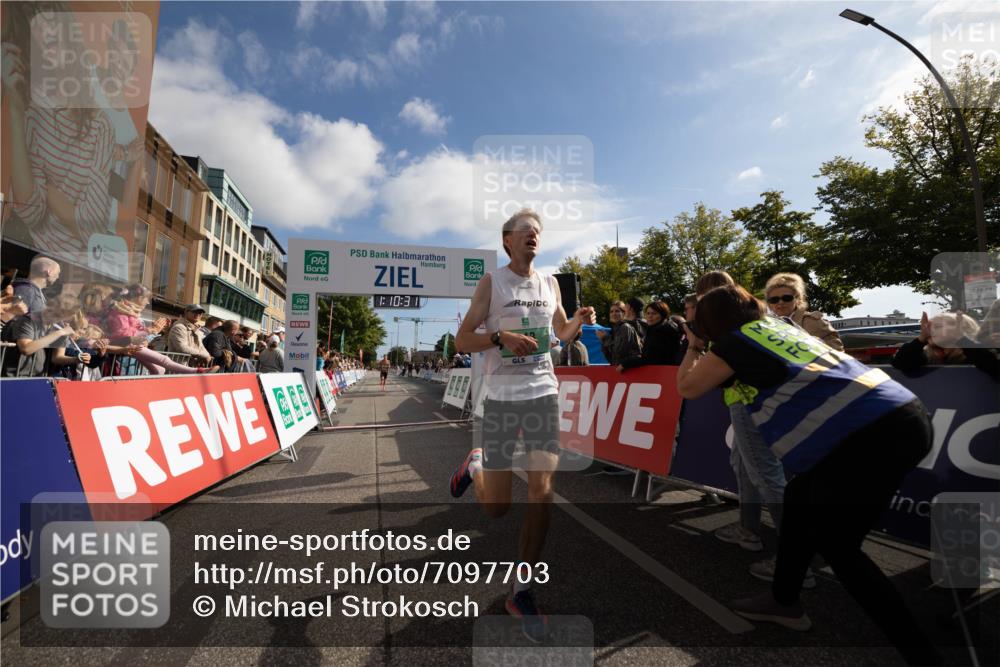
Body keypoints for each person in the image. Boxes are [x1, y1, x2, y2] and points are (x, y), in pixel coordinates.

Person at [678, 284, 941, 665]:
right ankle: (783, 600)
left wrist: (694, 346)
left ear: (710, 323)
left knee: (840, 547)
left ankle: (923, 655)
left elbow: (688, 387)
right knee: (801, 497)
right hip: (903, 413)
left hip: (867, 434)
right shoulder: (780, 327)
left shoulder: (733, 343)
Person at [449, 208, 596, 641]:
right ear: (506, 239)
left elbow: (559, 334)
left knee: (542, 492)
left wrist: (577, 322)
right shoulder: (492, 284)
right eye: (524, 231)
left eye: (537, 232)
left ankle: (523, 589)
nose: (533, 236)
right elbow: (462, 340)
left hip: (541, 393)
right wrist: (499, 338)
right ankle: (476, 465)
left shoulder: (549, 284)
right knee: (496, 508)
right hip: (500, 399)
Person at [103, 285, 217, 375]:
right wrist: (149, 330)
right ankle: (197, 371)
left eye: (200, 313)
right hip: (121, 352)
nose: (148, 302)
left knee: (159, 370)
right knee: (164, 360)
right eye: (146, 299)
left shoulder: (132, 314)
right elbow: (123, 335)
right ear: (137, 298)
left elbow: (137, 335)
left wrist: (146, 337)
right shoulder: (119, 314)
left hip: (131, 350)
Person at [892, 311, 998, 380]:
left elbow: (994, 366)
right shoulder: (927, 356)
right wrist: (920, 340)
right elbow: (900, 363)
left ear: (963, 329)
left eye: (937, 326)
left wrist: (961, 339)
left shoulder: (979, 353)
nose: (930, 330)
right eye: (929, 326)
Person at [2, 293, 88, 377]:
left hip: (36, 376)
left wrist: (77, 359)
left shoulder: (59, 326)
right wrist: (59, 333)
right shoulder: (28, 320)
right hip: (12, 375)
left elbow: (57, 357)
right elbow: (26, 348)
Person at [764, 273, 844, 351]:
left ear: (797, 299)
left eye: (787, 298)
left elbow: (837, 353)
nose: (780, 302)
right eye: (774, 300)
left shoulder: (814, 322)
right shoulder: (765, 325)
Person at [619, 301, 682, 369]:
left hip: (664, 372)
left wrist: (627, 364)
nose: (650, 316)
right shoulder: (655, 328)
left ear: (662, 315)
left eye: (654, 313)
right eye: (648, 313)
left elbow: (650, 358)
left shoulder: (661, 331)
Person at [596, 300, 641, 366]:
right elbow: (611, 358)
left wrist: (605, 338)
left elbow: (619, 353)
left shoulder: (625, 327)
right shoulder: (615, 330)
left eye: (617, 311)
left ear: (624, 313)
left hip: (630, 371)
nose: (614, 314)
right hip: (619, 370)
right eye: (611, 311)